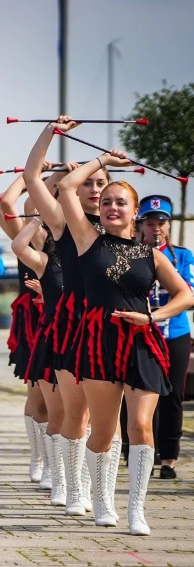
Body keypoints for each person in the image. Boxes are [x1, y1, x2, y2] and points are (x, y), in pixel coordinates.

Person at [52, 116, 194, 535]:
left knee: (141, 425)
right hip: (97, 337)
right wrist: (102, 160)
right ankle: (102, 500)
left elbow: (186, 294)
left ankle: (137, 509)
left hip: (142, 339)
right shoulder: (86, 240)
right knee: (105, 427)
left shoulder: (152, 255)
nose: (112, 207)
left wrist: (153, 316)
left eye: (121, 203)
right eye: (107, 201)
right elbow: (63, 189)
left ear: (135, 212)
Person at [24, 123, 109, 517]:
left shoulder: (128, 233)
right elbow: (30, 178)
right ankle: (70, 484)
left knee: (109, 419)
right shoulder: (64, 225)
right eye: (89, 183)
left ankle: (102, 496)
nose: (95, 190)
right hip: (71, 328)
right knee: (73, 413)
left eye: (102, 184)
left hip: (115, 328)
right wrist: (50, 132)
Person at [0, 175, 54, 488]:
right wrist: (38, 175)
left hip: (70, 317)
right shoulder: (30, 234)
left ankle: (60, 461)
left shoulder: (79, 235)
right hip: (34, 320)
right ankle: (39, 455)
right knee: (38, 393)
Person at [137, 195, 194, 480]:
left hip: (176, 333)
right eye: (150, 222)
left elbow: (189, 295)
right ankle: (139, 449)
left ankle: (169, 457)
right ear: (141, 225)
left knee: (173, 395)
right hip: (140, 333)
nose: (156, 227)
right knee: (140, 392)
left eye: (161, 222)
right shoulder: (132, 253)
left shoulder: (182, 256)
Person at [12, 216, 66, 502]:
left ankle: (79, 483)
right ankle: (45, 462)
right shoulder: (45, 250)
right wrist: (39, 218)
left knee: (85, 414)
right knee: (45, 403)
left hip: (87, 332)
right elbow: (4, 206)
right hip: (42, 329)